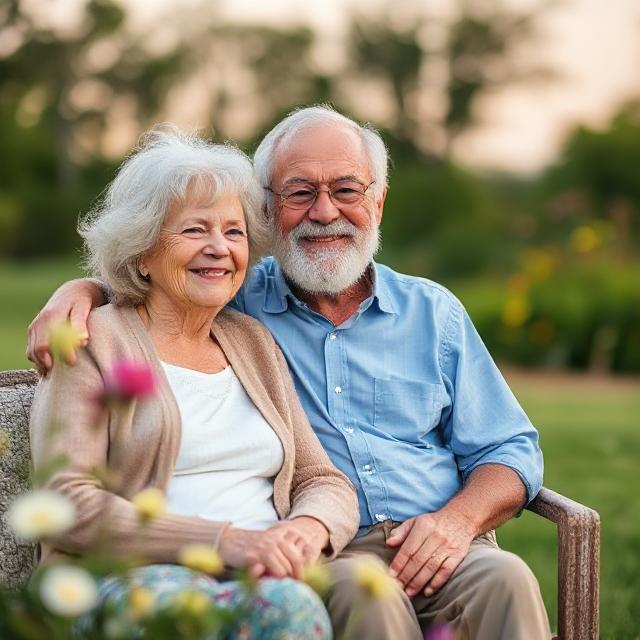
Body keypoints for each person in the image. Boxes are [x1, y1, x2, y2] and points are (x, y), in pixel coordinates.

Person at [29, 107, 551, 639]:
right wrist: (79, 292)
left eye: (347, 190)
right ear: (270, 209)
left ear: (379, 202)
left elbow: (507, 448)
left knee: (506, 577)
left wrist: (456, 523)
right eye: (300, 193)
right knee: (365, 592)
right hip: (328, 555)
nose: (325, 212)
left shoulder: (423, 313)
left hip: (430, 536)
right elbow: (157, 285)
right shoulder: (238, 304)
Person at [28, 127, 361, 639]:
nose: (219, 249)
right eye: (193, 231)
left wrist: (305, 529)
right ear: (141, 251)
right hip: (130, 580)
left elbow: (323, 480)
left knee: (291, 605)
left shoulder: (252, 342)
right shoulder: (93, 341)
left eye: (233, 232)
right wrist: (223, 541)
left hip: (261, 578)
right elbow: (67, 500)